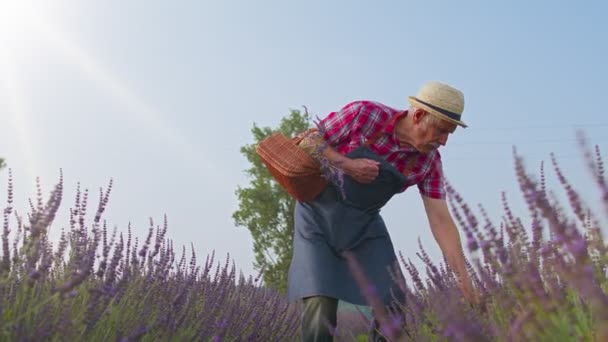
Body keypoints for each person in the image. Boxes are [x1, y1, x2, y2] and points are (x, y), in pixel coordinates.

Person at [286, 81, 479, 341]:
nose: (443, 141)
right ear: (419, 115)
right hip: (318, 214)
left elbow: (441, 221)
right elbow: (307, 140)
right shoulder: (365, 114)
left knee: (394, 297)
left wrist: (462, 276)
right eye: (441, 131)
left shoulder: (428, 162)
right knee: (320, 301)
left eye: (449, 135)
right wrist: (346, 164)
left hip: (364, 224)